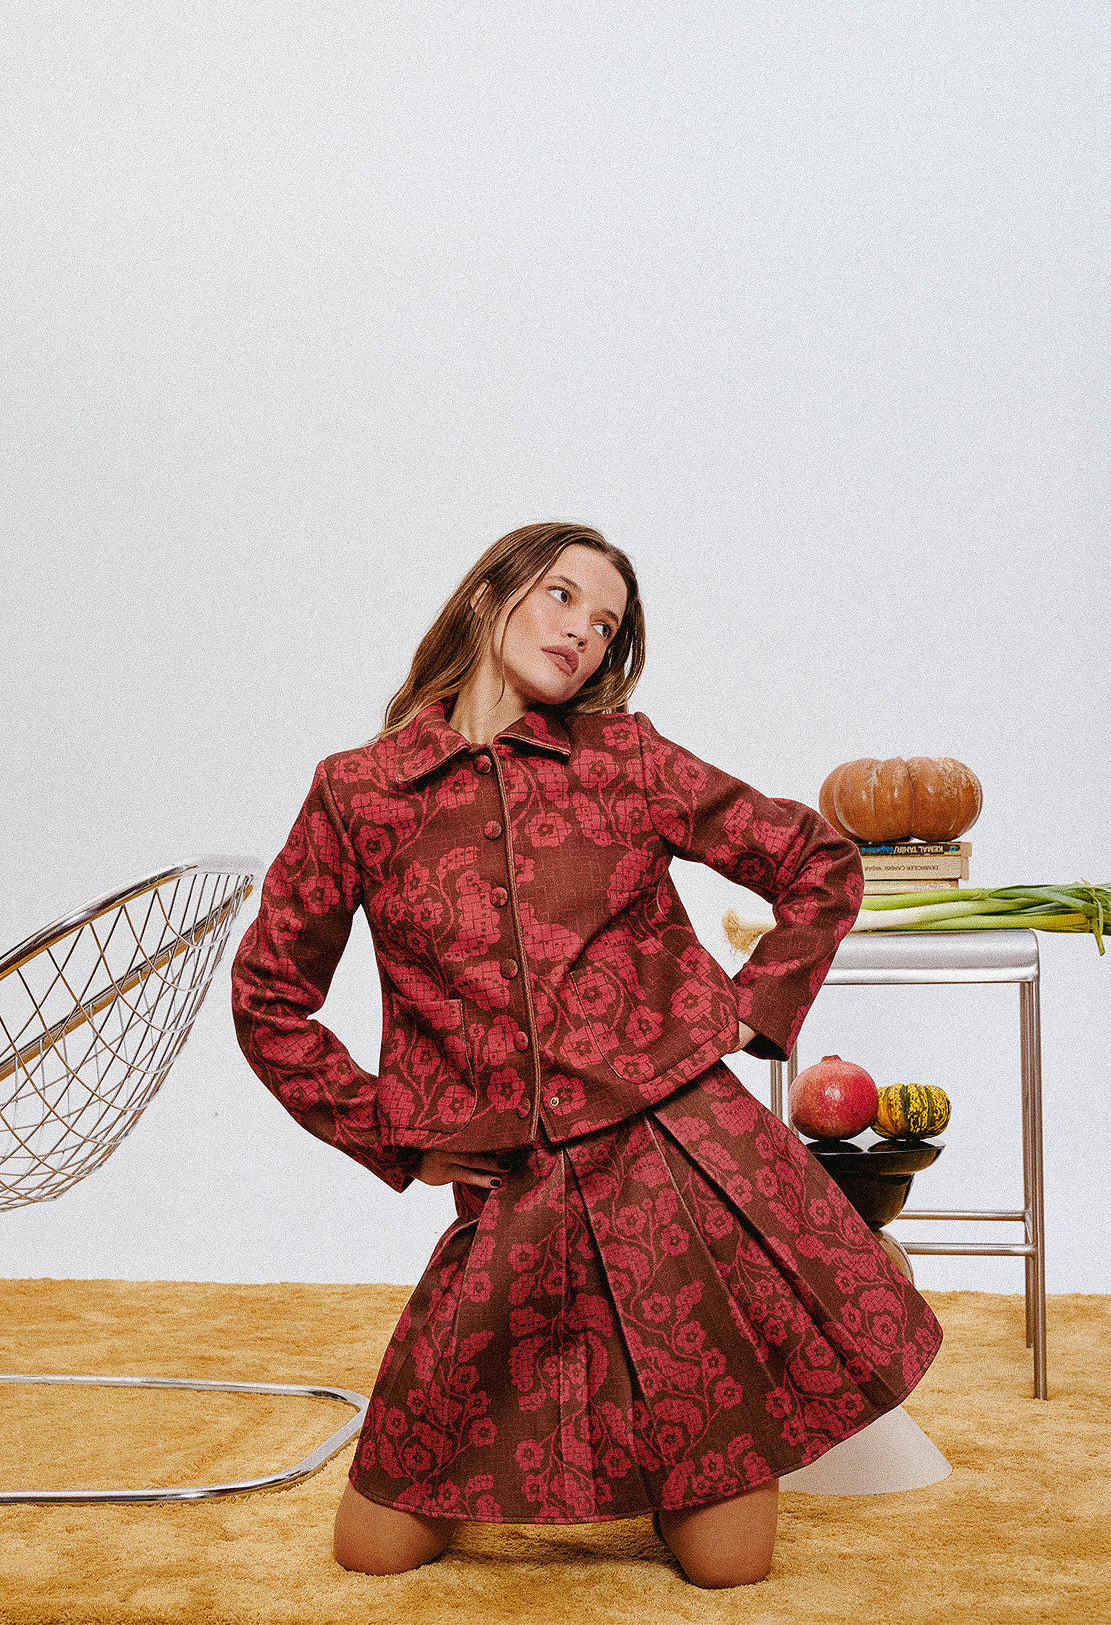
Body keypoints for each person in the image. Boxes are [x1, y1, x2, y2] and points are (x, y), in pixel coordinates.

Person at [231, 522, 942, 1588]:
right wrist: (393, 1135)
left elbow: (816, 859)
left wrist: (746, 1014)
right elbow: (268, 996)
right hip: (511, 1188)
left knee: (728, 1570)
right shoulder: (359, 793)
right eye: (562, 597)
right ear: (489, 595)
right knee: (371, 1552)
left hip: (681, 1170)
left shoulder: (626, 759)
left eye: (605, 624)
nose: (582, 633)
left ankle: (679, 1462)